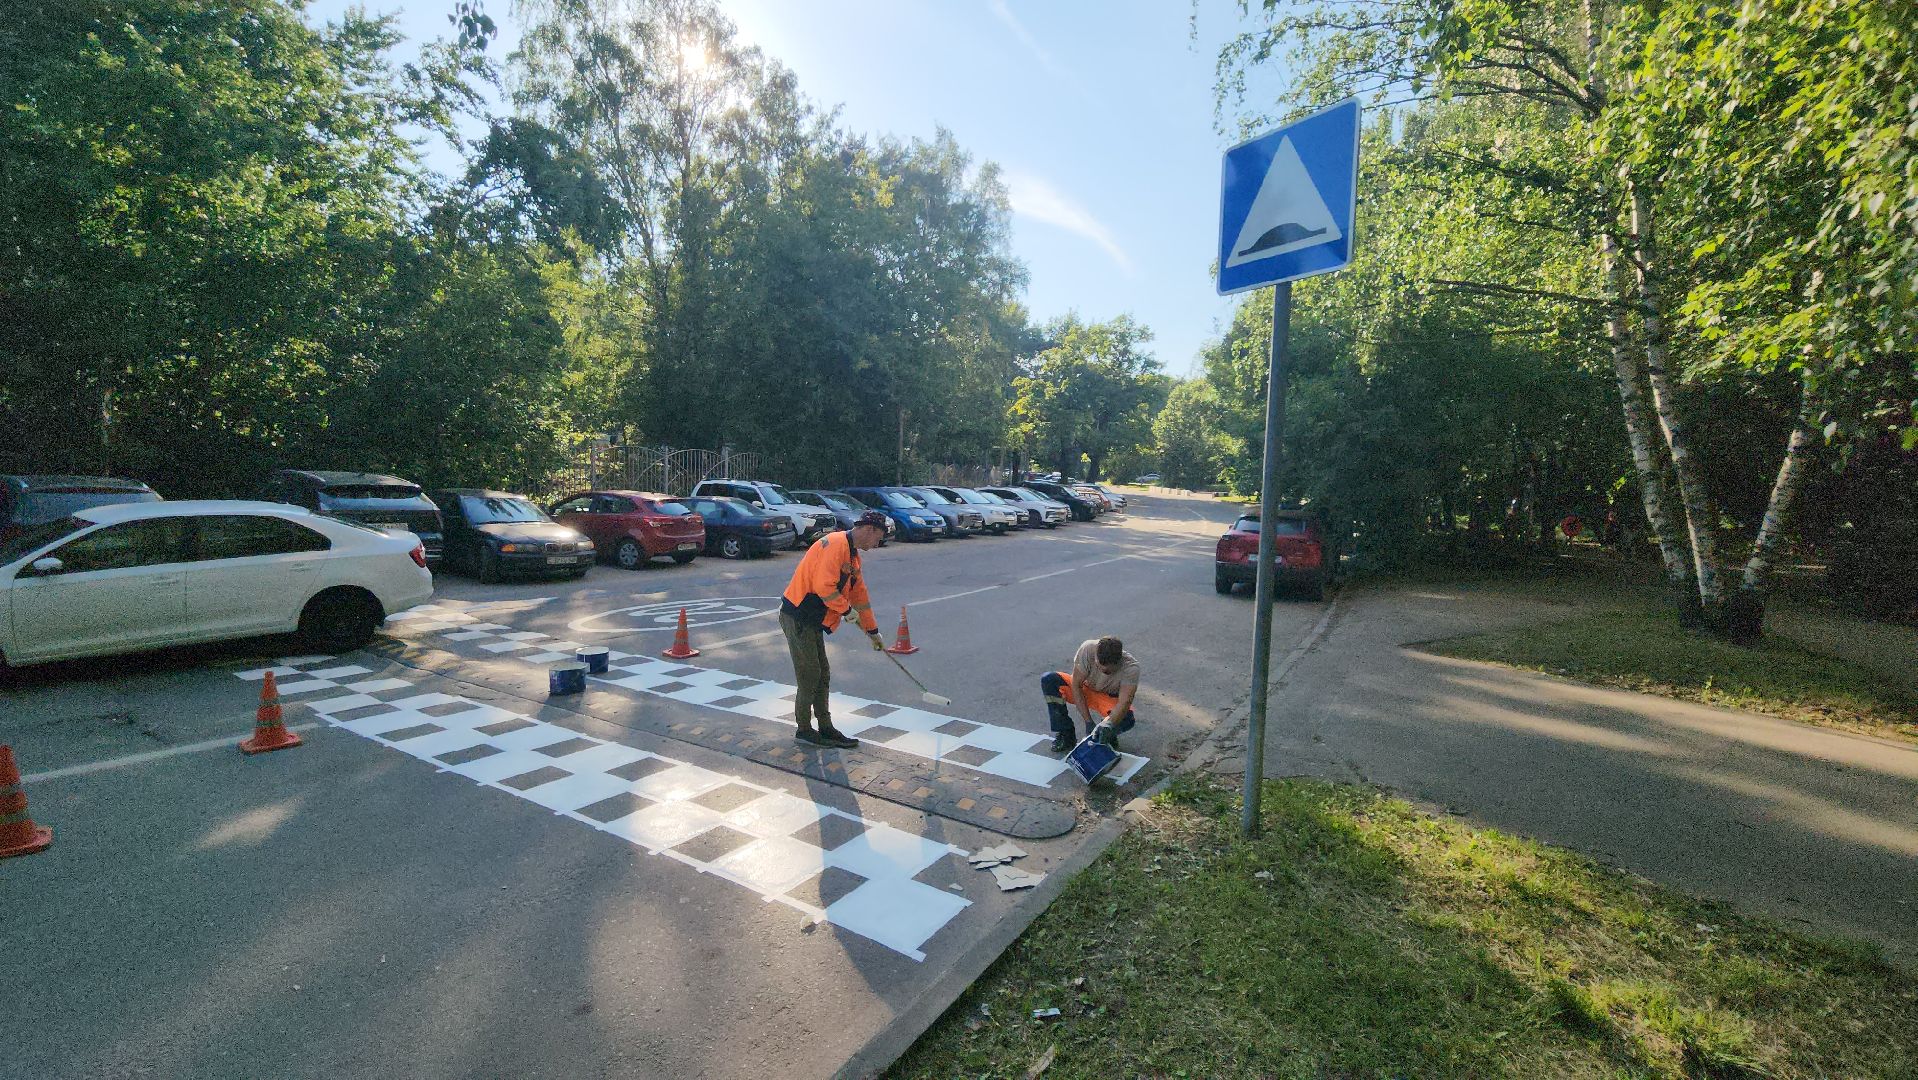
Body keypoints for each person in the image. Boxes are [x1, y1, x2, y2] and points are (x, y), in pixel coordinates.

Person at [779, 511, 889, 748]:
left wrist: (873, 632)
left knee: (822, 673)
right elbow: (823, 586)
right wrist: (846, 611)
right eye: (878, 538)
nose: (877, 544)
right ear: (869, 530)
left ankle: (826, 727)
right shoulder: (836, 545)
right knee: (810, 674)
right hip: (798, 615)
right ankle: (805, 729)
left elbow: (860, 597)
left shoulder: (852, 555)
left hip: (812, 619)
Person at [1040, 635, 1140, 754]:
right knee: (1049, 680)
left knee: (1126, 718)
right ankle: (1066, 734)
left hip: (1107, 699)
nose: (1102, 671)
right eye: (1098, 666)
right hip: (1085, 690)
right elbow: (1076, 685)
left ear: (1118, 662)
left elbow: (1124, 702)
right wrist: (1088, 722)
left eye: (1107, 671)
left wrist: (1108, 724)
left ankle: (1105, 735)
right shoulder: (1087, 649)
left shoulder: (1131, 668)